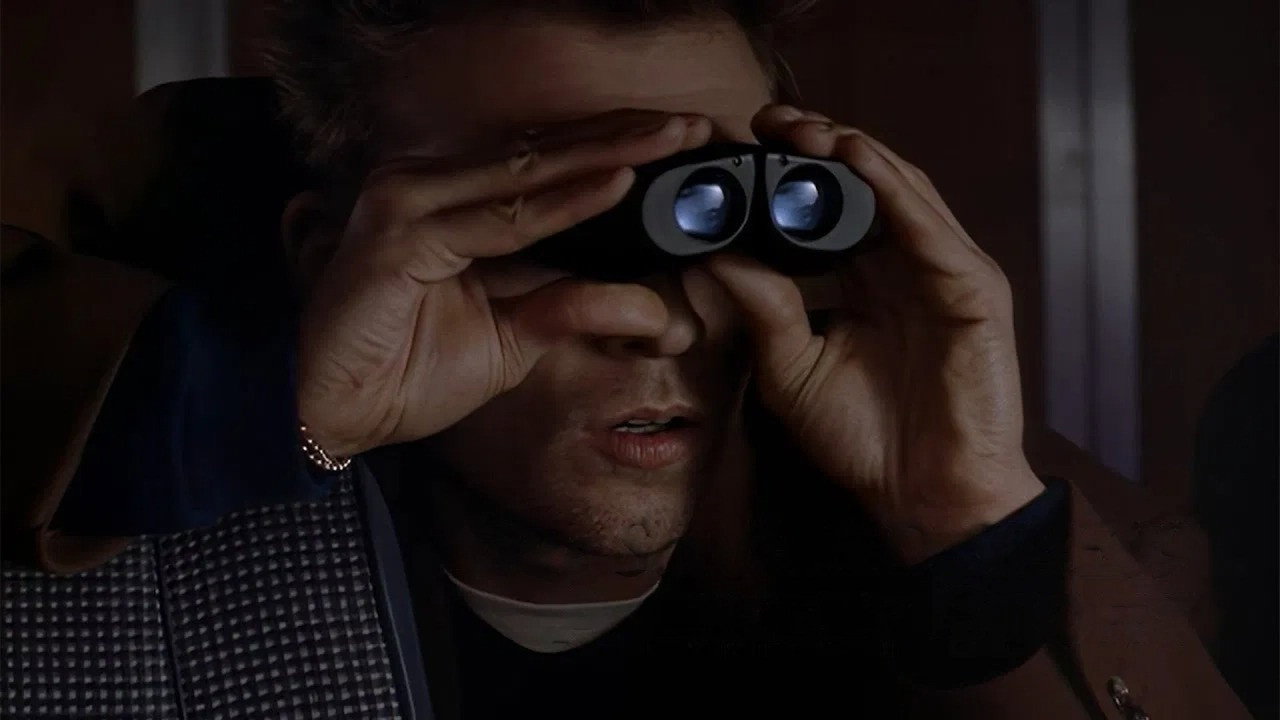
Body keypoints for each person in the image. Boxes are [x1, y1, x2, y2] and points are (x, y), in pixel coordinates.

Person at [0, 1, 1252, 718]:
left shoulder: (1055, 550)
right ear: (333, 255)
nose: (656, 319)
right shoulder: (125, 510)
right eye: (547, 220)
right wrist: (250, 411)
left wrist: (968, 543)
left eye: (718, 210)